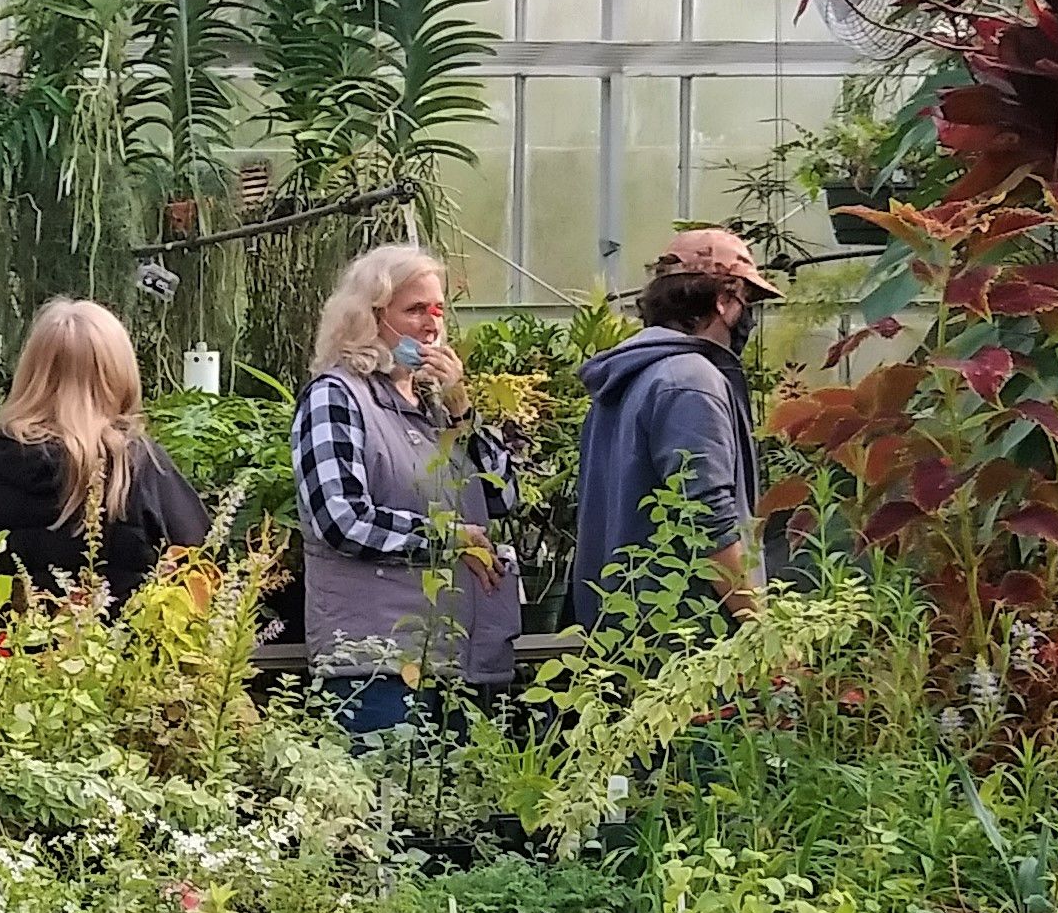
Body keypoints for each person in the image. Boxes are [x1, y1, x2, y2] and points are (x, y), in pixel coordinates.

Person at [292, 242, 516, 732]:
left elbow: (504, 497)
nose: (432, 324)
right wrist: (447, 537)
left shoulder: (436, 407)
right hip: (374, 664)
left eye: (438, 310)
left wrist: (462, 410)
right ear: (371, 317)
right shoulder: (336, 397)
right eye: (415, 310)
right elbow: (341, 520)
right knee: (385, 806)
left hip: (457, 660)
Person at [566, 226, 783, 632]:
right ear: (723, 300)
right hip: (688, 642)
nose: (748, 316)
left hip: (626, 633)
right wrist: (761, 627)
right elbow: (708, 520)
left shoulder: (628, 377)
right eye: (746, 300)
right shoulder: (690, 381)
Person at [0, 297, 210, 604]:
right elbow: (203, 565)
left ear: (32, 372)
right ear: (117, 374)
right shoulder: (135, 464)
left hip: (6, 649)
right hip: (124, 648)